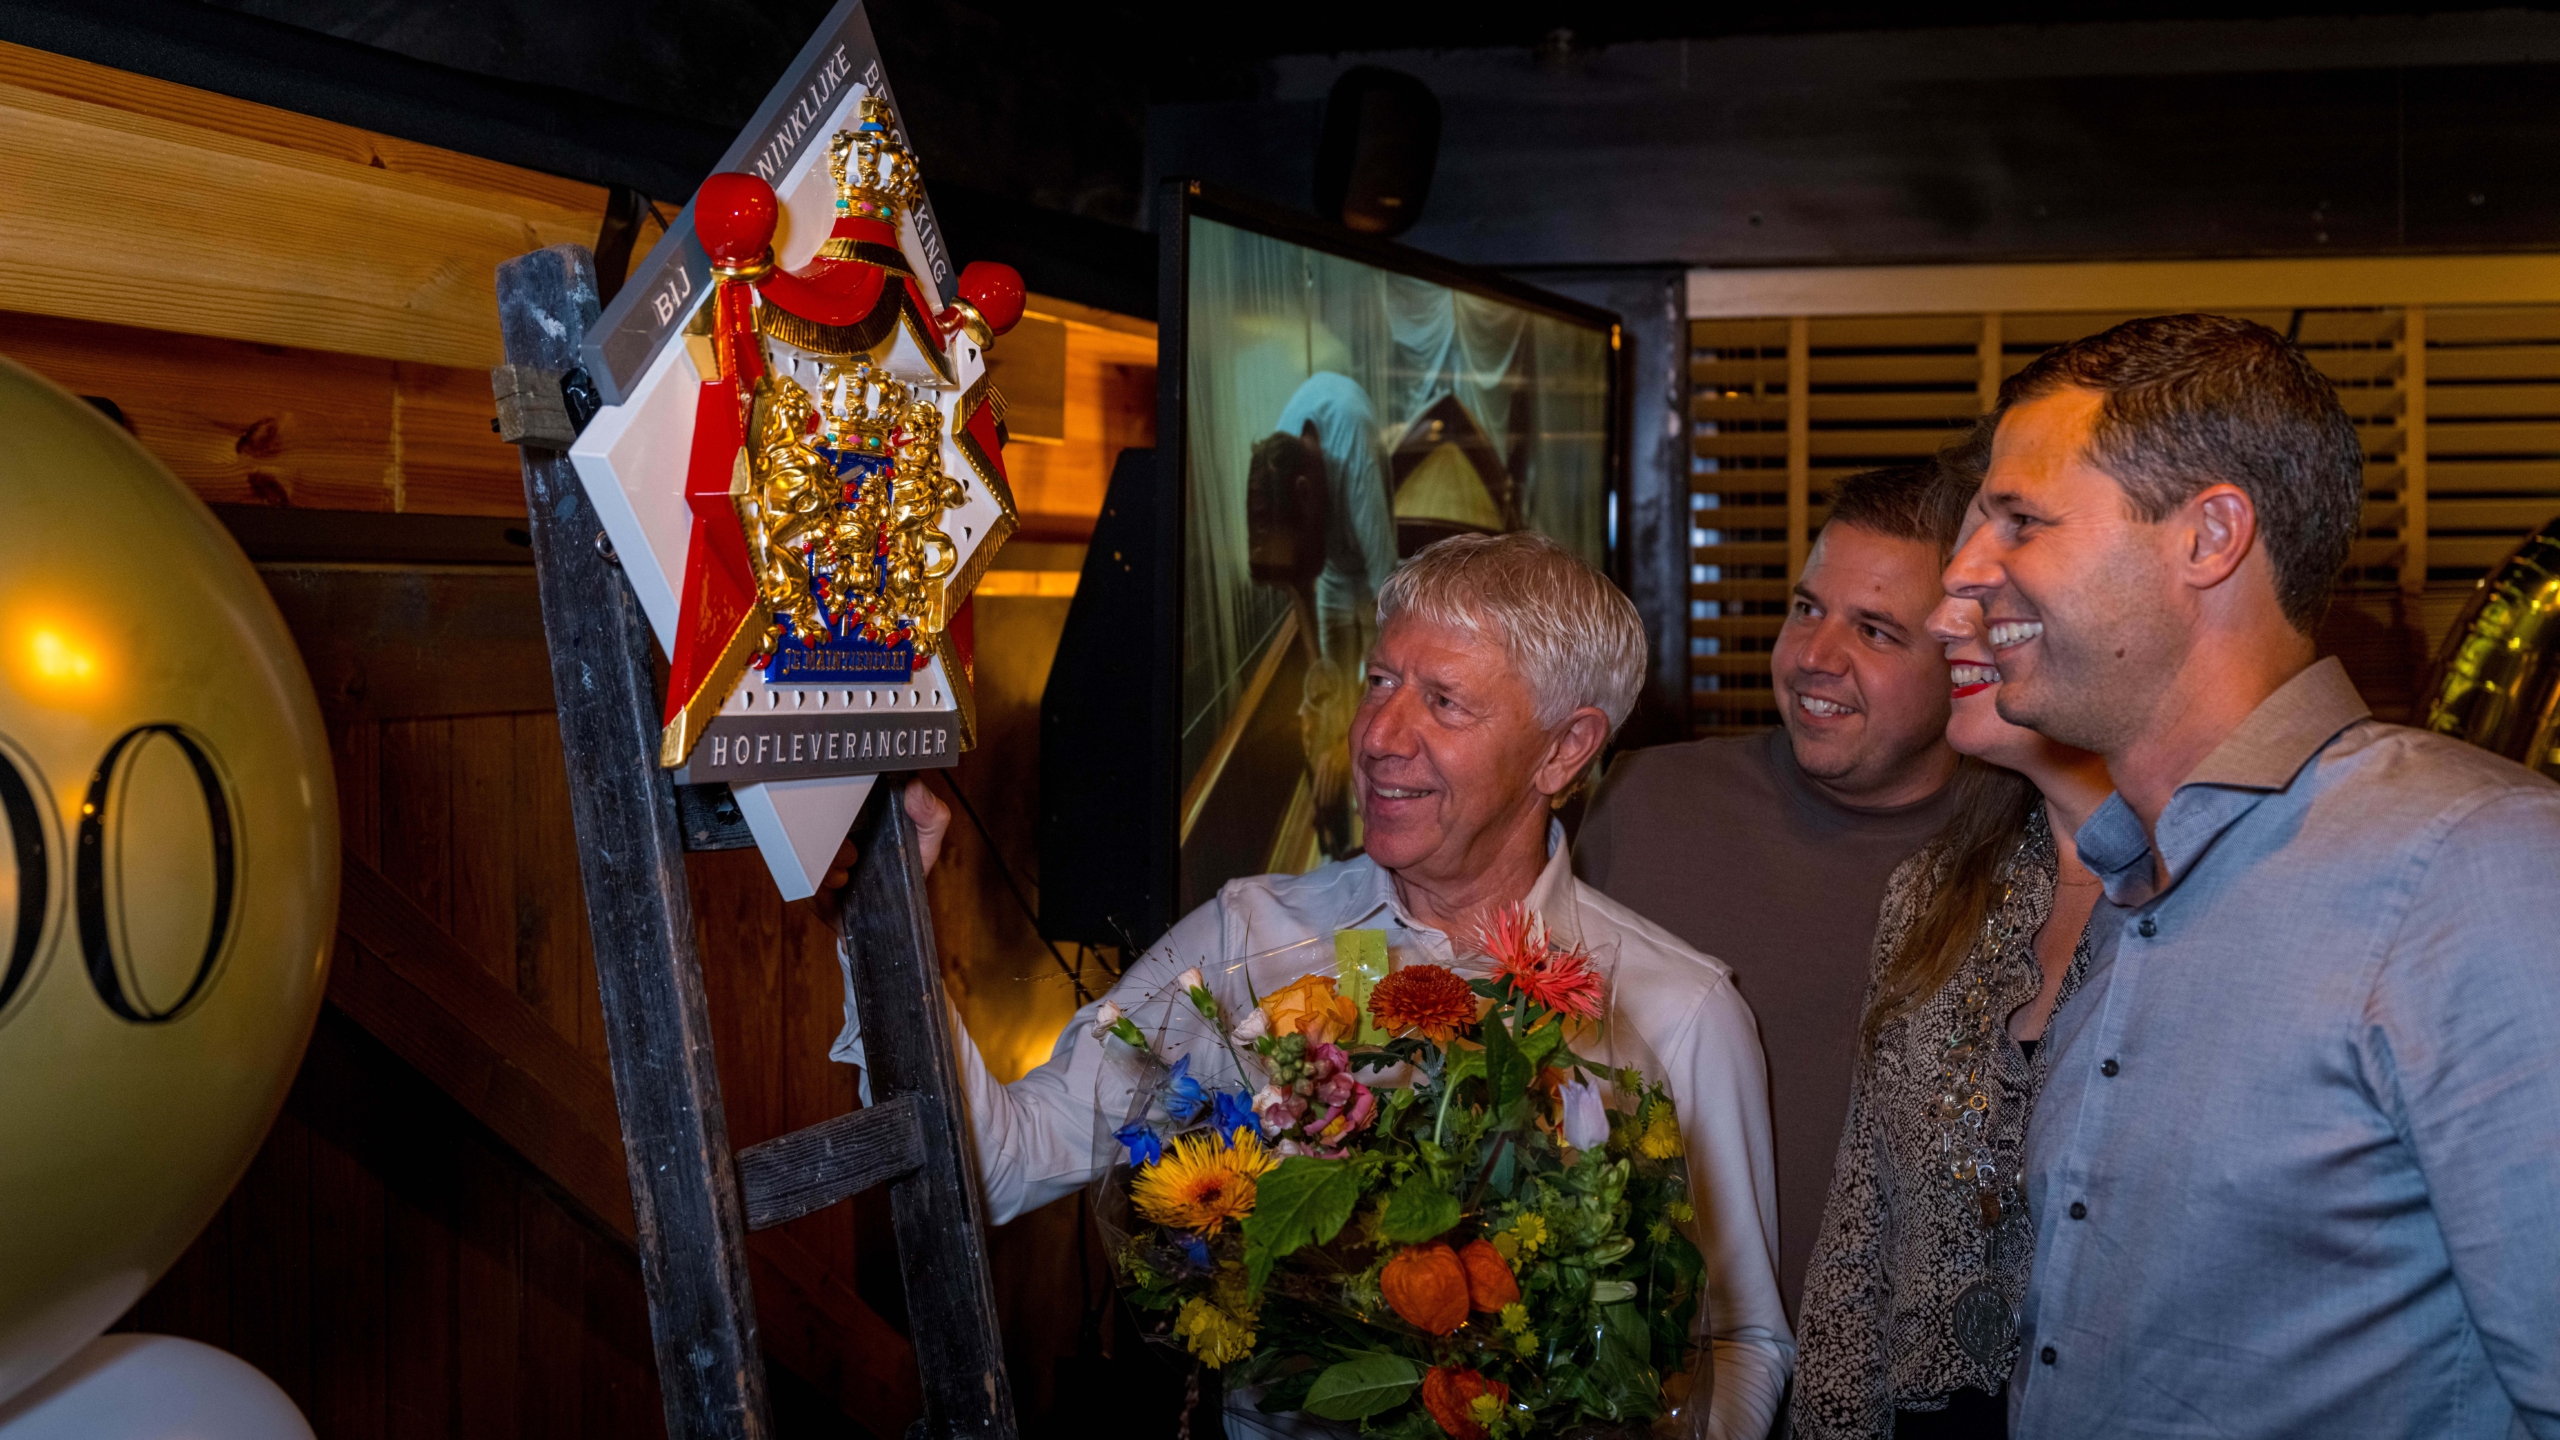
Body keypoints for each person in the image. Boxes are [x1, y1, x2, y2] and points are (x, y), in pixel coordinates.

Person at [843, 532, 1795, 1440]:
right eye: (1380, 680)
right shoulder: (1250, 938)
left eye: (1444, 702)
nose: (1379, 733)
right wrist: (890, 915)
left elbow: (1740, 1342)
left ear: (1563, 750)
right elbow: (999, 1167)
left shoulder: (1678, 1009)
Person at [1943, 313, 2560, 1438]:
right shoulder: (2133, 879)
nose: (1963, 573)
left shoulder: (2473, 867)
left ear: (2209, 535)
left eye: (2018, 522)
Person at [1579, 464, 1962, 1316]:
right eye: (1806, 609)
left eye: (1876, 631)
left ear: (1963, 663)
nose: (1817, 657)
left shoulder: (2029, 859)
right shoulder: (1641, 799)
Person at [1790, 467, 2114, 1440]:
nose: (1948, 627)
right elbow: (1858, 1241)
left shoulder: (2212, 892)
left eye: (1985, 601)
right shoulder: (1936, 893)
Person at [1247, 373, 1403, 856]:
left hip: (1372, 577)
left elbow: (1390, 618)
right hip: (1333, 568)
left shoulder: (1352, 451)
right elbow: (1300, 584)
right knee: (1329, 716)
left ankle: (1376, 836)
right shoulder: (1278, 459)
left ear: (1307, 491)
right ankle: (1337, 850)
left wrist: (1348, 741)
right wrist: (1324, 698)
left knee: (1367, 729)